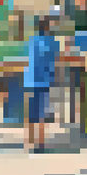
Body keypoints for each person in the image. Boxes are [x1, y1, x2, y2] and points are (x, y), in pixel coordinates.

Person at [24, 15, 59, 153]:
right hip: (44, 81)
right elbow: (54, 60)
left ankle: (30, 142)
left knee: (32, 114)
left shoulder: (32, 40)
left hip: (30, 80)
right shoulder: (53, 42)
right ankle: (40, 143)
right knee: (41, 115)